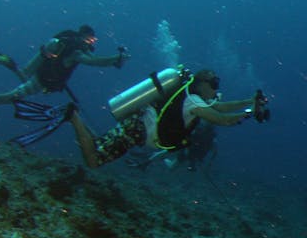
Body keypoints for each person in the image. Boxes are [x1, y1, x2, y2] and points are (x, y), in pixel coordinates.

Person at [68, 68, 267, 169]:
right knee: (94, 160)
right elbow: (223, 120)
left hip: (138, 127)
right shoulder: (193, 102)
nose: (216, 88)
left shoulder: (193, 97)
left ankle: (74, 117)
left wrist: (250, 102)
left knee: (98, 147)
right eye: (214, 83)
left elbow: (222, 107)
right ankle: (73, 116)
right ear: (202, 83)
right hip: (138, 128)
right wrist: (251, 113)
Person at [0, 25, 128, 122]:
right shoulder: (76, 51)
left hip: (40, 70)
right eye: (92, 40)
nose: (92, 43)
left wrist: (114, 60)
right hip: (44, 80)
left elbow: (94, 58)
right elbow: (94, 61)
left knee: (19, 81)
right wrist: (116, 57)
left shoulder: (66, 40)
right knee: (12, 96)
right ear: (86, 37)